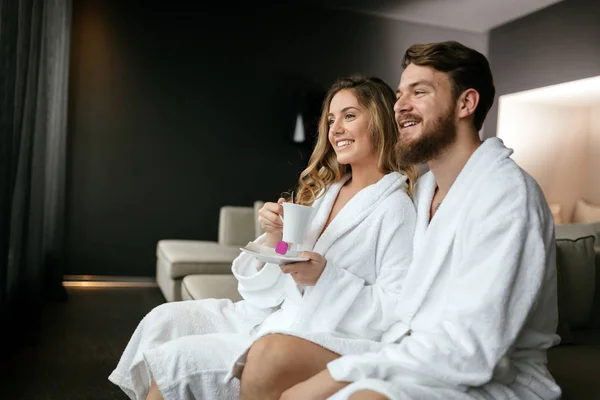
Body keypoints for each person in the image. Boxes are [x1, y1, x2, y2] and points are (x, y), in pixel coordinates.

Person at [239, 41, 561, 400]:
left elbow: (470, 348)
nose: (400, 105)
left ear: (466, 104)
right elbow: (288, 259)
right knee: (268, 358)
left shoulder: (505, 196)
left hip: (489, 376)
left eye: (419, 92)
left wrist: (344, 372)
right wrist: (277, 241)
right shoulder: (425, 192)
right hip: (406, 351)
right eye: (399, 94)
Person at [108, 75, 419, 400]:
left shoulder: (395, 208)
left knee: (175, 363)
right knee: (165, 319)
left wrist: (327, 278)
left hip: (321, 334)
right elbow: (289, 258)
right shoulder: (327, 192)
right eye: (331, 119)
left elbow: (396, 306)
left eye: (349, 116)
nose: (335, 129)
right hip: (275, 315)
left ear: (381, 121)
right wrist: (275, 239)